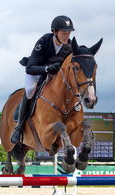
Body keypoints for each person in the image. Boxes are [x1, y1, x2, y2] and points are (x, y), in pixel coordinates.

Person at [11, 15, 75, 144]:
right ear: (54, 32)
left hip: (53, 76)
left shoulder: (69, 46)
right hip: (36, 72)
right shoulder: (43, 42)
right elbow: (30, 68)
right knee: (30, 89)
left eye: (68, 32)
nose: (66, 35)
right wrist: (47, 69)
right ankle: (19, 127)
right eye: (63, 32)